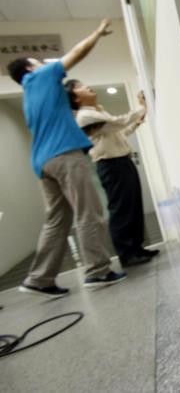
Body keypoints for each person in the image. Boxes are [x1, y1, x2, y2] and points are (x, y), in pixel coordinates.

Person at [6, 19, 127, 298]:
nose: (43, 63)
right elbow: (77, 53)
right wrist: (97, 34)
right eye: (38, 61)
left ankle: (40, 278)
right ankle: (97, 271)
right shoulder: (42, 76)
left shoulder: (30, 93)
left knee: (57, 220)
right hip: (64, 156)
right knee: (89, 211)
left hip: (43, 163)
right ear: (30, 67)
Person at [66, 81, 159, 267]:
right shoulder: (86, 116)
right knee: (121, 210)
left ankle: (136, 248)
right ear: (76, 98)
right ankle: (127, 255)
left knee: (133, 206)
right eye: (80, 86)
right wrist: (141, 107)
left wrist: (138, 120)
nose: (87, 86)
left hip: (122, 162)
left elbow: (121, 132)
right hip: (111, 165)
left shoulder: (98, 111)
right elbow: (120, 122)